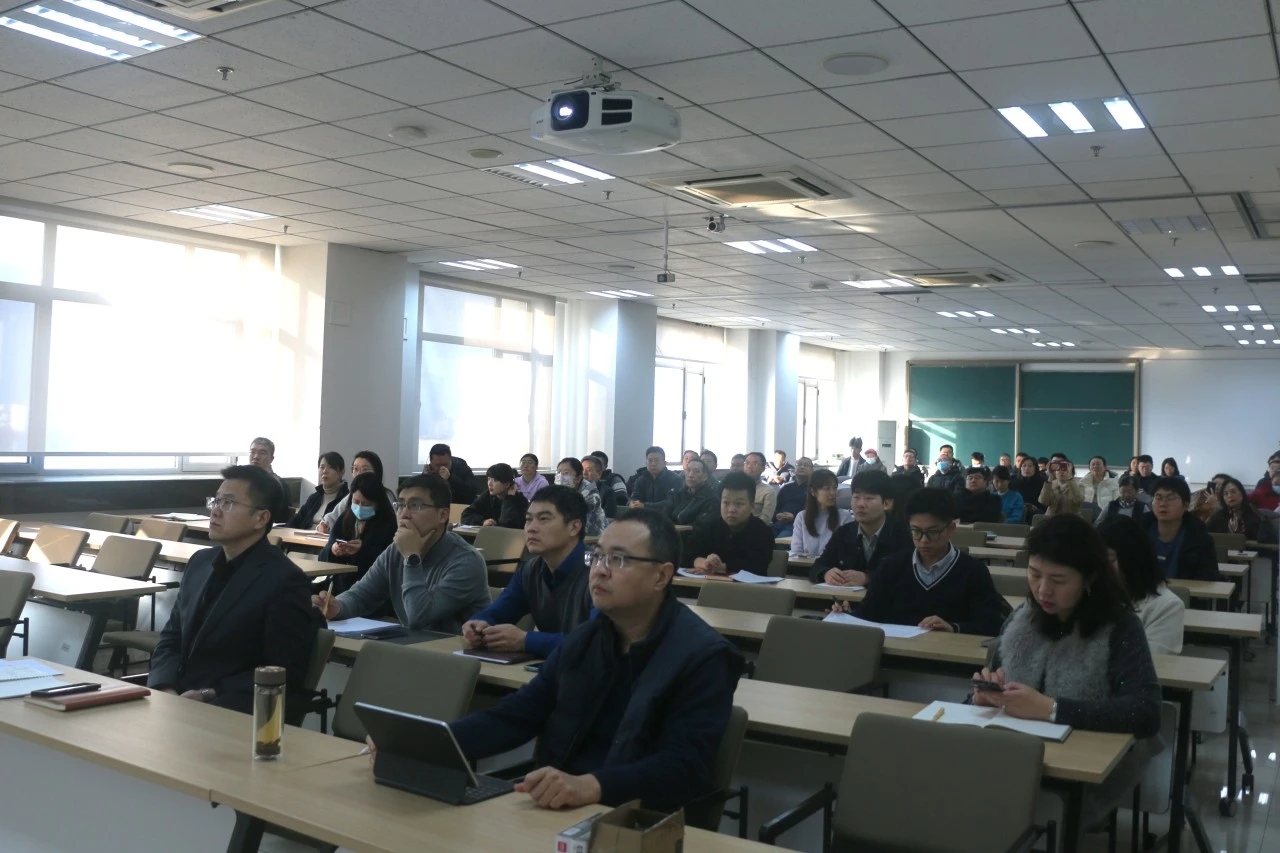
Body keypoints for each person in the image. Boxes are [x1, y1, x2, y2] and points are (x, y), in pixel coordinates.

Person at [436, 510, 744, 812]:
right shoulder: (585, 639)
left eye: (618, 559)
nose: (599, 570)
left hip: (639, 820)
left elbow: (683, 768)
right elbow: (516, 716)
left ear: (661, 576)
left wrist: (593, 786)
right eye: (596, 557)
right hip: (558, 808)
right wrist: (436, 742)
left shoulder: (704, 656)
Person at [974, 514, 1161, 836]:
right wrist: (986, 695)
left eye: (1058, 580)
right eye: (1034, 574)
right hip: (1013, 755)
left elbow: (1146, 712)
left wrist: (1052, 709)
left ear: (1089, 578)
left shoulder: (1120, 626)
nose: (1043, 590)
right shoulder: (1021, 619)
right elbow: (995, 680)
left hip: (1082, 771)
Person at [149, 465, 320, 718]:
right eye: (216, 500)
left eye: (228, 503)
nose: (215, 511)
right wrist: (165, 686)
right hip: (177, 701)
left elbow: (283, 670)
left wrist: (209, 694)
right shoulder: (200, 562)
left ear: (261, 519)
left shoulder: (285, 581)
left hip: (230, 709)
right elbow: (171, 637)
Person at [312, 474, 490, 632]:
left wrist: (411, 558)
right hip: (412, 648)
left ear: (442, 515)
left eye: (415, 505)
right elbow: (362, 595)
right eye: (401, 505)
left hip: (452, 654)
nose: (404, 514)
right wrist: (338, 607)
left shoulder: (466, 561)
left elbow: (418, 617)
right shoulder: (396, 551)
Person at [847, 487, 1005, 635]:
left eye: (933, 532)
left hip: (948, 653)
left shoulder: (973, 571)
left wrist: (953, 627)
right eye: (916, 531)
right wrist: (846, 614)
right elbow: (868, 613)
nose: (923, 540)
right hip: (895, 652)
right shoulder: (892, 566)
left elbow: (991, 625)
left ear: (951, 529)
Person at [462, 485, 593, 658]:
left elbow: (596, 643)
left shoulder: (601, 572)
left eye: (543, 519)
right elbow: (498, 612)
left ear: (574, 527)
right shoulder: (531, 570)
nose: (531, 528)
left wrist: (525, 641)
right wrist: (477, 625)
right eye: (528, 519)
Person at [810, 469, 912, 587]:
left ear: (886, 503)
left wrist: (868, 578)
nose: (861, 504)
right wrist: (825, 573)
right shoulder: (843, 533)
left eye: (869, 498)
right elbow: (817, 566)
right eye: (856, 497)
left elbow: (908, 575)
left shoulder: (902, 534)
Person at [1098, 517, 1184, 655]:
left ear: (1132, 560)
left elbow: (1151, 661)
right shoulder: (1092, 596)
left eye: (1110, 560)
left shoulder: (1166, 606)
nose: (1100, 568)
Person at [320, 471, 397, 595]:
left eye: (366, 504)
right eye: (356, 502)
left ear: (378, 504)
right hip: (340, 586)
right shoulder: (345, 518)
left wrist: (362, 550)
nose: (360, 507)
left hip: (371, 591)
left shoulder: (388, 524)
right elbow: (323, 556)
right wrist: (333, 550)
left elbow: (389, 563)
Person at [686, 471, 774, 576]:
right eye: (726, 503)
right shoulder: (709, 526)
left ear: (752, 506)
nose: (731, 509)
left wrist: (721, 567)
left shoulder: (763, 532)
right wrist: (703, 563)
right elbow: (687, 554)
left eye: (739, 504)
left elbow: (757, 566)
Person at [1139, 476, 1220, 581]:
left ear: (1185, 505)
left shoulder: (1200, 538)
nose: (1163, 504)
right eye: (1158, 497)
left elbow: (1209, 578)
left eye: (1170, 498)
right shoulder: (1138, 532)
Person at [318, 451, 395, 534]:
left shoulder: (385, 495)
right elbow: (333, 516)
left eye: (365, 469)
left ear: (377, 472)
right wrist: (325, 525)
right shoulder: (352, 495)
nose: (359, 474)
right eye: (355, 469)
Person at [789, 468, 849, 559]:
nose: (833, 493)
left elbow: (845, 553)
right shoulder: (802, 517)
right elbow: (795, 552)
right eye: (827, 488)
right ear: (813, 492)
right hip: (803, 565)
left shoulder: (844, 517)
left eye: (834, 488)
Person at [649, 457, 718, 527]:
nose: (690, 475)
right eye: (688, 470)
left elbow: (700, 527)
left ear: (705, 477)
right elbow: (665, 515)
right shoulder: (678, 493)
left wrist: (673, 528)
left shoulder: (711, 499)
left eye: (696, 471)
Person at [287, 451, 348, 529]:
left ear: (342, 472)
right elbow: (295, 521)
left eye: (330, 467)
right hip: (304, 536)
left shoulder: (347, 499)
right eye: (322, 467)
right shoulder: (314, 498)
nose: (325, 471)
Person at [461, 462, 529, 529]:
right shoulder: (487, 496)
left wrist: (509, 498)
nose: (490, 484)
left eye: (495, 480)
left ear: (507, 484)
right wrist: (483, 521)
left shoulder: (520, 501)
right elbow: (466, 515)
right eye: (489, 479)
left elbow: (506, 524)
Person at [1207, 476, 1273, 540]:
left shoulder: (1254, 513)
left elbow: (1266, 539)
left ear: (1242, 493)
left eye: (1233, 491)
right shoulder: (1217, 515)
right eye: (1226, 493)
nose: (1229, 496)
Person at [556, 457, 607, 537]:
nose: (561, 476)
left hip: (591, 539)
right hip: (567, 536)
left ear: (578, 478)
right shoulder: (557, 492)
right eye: (559, 472)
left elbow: (577, 522)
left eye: (566, 473)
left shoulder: (591, 494)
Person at [247, 436, 291, 524]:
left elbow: (279, 517)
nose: (256, 457)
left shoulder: (278, 485)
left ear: (271, 459)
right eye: (252, 452)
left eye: (262, 453)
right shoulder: (240, 480)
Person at [772, 456, 812, 535]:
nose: (802, 467)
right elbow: (776, 507)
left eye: (806, 465)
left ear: (812, 470)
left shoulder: (814, 489)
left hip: (800, 525)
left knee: (781, 539)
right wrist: (777, 515)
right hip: (780, 523)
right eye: (799, 464)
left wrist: (794, 517)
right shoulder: (786, 488)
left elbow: (815, 513)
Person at [741, 452, 778, 523]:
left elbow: (765, 519)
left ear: (763, 468)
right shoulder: (735, 487)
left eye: (754, 464)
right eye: (747, 463)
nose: (749, 466)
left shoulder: (768, 491)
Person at [581, 455, 618, 519]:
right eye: (582, 470)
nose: (584, 474)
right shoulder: (575, 490)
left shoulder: (607, 492)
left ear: (599, 474)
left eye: (589, 470)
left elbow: (609, 518)